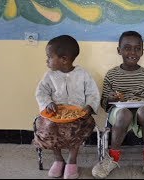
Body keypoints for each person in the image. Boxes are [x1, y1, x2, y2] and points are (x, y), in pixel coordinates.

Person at [92, 31, 144, 179]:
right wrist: (111, 98)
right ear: (119, 50)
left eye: (137, 48)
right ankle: (112, 158)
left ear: (142, 51)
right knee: (124, 113)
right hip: (119, 112)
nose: (132, 52)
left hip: (143, 112)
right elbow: (104, 102)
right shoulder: (112, 74)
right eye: (127, 48)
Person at [33, 35, 100, 179]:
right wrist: (47, 103)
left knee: (76, 129)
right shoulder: (49, 76)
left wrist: (89, 106)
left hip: (78, 116)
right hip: (55, 115)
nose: (47, 60)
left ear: (63, 59)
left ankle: (72, 160)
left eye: (49, 57)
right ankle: (58, 159)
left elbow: (93, 93)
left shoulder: (83, 74)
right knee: (48, 126)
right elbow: (41, 92)